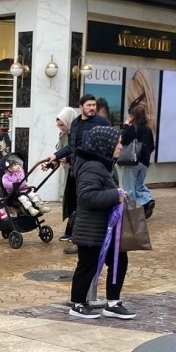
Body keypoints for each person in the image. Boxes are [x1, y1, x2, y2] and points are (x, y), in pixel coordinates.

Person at [68, 126, 136, 320]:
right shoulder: (92, 167)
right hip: (91, 228)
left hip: (106, 228)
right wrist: (115, 195)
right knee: (87, 266)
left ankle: (113, 303)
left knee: (119, 261)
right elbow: (86, 196)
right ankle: (78, 304)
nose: (120, 146)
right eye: (117, 143)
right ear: (105, 144)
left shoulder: (105, 165)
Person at [46, 94, 110, 253]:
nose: (92, 108)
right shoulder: (75, 123)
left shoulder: (102, 122)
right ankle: (79, 240)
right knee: (78, 206)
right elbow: (72, 147)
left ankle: (83, 241)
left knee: (87, 207)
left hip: (94, 172)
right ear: (81, 107)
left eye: (94, 105)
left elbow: (109, 145)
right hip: (77, 172)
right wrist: (56, 155)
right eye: (89, 105)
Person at [119, 100, 156, 218]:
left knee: (129, 188)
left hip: (132, 162)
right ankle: (147, 201)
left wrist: (126, 126)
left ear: (133, 117)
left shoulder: (132, 129)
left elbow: (122, 139)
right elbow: (152, 146)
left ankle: (130, 214)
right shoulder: (148, 129)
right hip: (144, 163)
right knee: (138, 186)